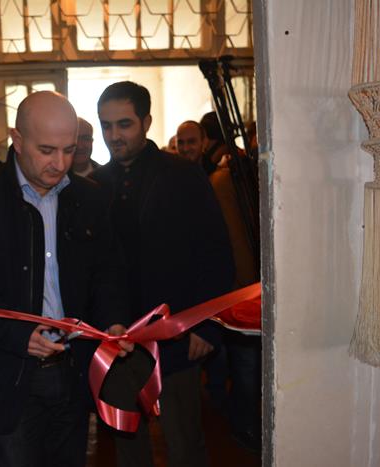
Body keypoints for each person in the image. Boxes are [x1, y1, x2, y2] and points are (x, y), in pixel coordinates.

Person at [0, 91, 133, 467]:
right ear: (17, 140)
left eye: (68, 150)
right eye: (46, 150)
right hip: (6, 378)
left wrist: (113, 320)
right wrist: (17, 333)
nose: (59, 163)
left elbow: (107, 271)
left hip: (73, 372)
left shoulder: (90, 198)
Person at [91, 81, 235, 467]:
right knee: (128, 447)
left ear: (146, 122)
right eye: (106, 125)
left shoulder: (183, 176)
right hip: (117, 339)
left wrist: (206, 327)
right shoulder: (96, 185)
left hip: (177, 338)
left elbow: (215, 253)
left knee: (184, 443)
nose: (114, 135)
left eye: (124, 124)